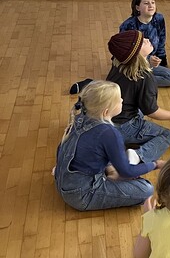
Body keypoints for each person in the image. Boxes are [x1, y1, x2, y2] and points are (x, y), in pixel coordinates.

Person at [54, 80, 158, 211]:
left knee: (102, 150)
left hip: (63, 183)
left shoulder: (80, 117)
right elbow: (127, 171)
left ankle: (110, 171)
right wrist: (155, 164)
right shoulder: (109, 133)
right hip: (82, 195)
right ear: (106, 111)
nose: (122, 100)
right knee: (147, 189)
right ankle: (110, 175)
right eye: (119, 99)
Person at [106, 30, 170, 164]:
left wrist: (148, 61)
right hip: (124, 125)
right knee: (167, 135)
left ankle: (120, 141)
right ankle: (137, 156)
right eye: (142, 42)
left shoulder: (118, 62)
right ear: (135, 54)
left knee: (139, 111)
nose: (148, 40)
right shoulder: (144, 77)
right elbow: (152, 111)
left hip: (108, 119)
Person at [119, 0, 170, 87]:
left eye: (153, 2)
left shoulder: (159, 19)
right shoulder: (128, 25)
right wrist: (146, 59)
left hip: (151, 63)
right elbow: (125, 54)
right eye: (146, 3)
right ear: (137, 7)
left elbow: (161, 42)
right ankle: (135, 78)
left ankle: (137, 80)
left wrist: (161, 62)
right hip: (134, 64)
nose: (151, 6)